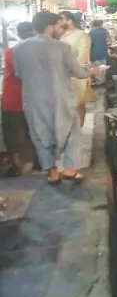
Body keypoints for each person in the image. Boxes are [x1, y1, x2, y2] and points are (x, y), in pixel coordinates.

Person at [13, 12, 98, 184]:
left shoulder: (19, 48)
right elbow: (80, 72)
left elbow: (19, 74)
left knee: (40, 135)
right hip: (60, 97)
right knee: (71, 132)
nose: (61, 30)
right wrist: (93, 71)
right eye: (59, 26)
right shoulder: (62, 47)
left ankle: (51, 172)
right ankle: (69, 170)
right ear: (50, 27)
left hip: (33, 99)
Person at [2, 22, 36, 175]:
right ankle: (39, 162)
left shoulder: (11, 51)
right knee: (35, 131)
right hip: (33, 96)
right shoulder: (39, 52)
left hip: (13, 97)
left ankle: (16, 165)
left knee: (11, 132)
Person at [59, 11, 91, 127]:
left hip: (77, 76)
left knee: (78, 105)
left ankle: (79, 129)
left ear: (69, 20)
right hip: (62, 76)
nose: (59, 22)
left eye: (61, 19)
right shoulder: (59, 35)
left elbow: (82, 57)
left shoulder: (81, 36)